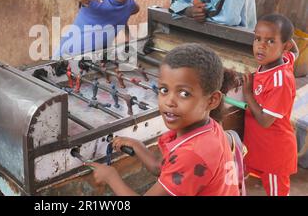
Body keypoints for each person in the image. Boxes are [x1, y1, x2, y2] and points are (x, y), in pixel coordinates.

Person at [87, 43, 240, 196]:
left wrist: (111, 177)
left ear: (212, 100)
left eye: (184, 94)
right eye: (164, 90)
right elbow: (166, 169)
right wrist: (138, 146)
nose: (169, 101)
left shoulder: (192, 155)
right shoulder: (210, 128)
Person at [242, 14, 299, 196]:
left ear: (285, 46)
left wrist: (248, 93)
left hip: (274, 154)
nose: (261, 45)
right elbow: (295, 53)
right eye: (257, 38)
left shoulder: (280, 81)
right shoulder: (281, 60)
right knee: (236, 178)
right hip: (258, 147)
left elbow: (265, 121)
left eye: (270, 41)